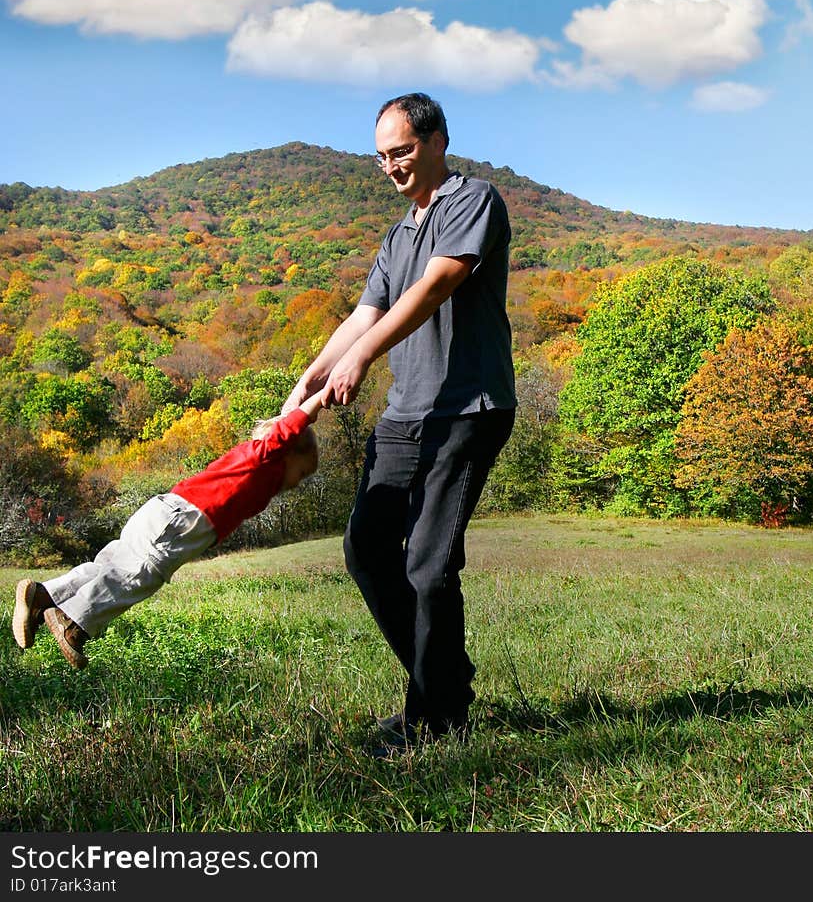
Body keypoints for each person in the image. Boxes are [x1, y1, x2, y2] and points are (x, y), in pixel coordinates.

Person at [281, 92, 516, 753]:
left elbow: (437, 285)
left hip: (467, 408)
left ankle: (435, 716)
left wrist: (362, 356)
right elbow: (364, 313)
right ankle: (443, 683)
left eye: (403, 151)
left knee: (429, 566)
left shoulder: (474, 201)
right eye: (382, 156)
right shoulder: (398, 233)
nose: (391, 166)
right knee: (366, 547)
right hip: (406, 414)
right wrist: (316, 371)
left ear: (438, 140)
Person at [12, 391, 323, 669]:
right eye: (303, 472)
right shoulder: (264, 458)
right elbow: (289, 428)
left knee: (111, 565)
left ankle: (44, 595)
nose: (298, 482)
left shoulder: (255, 466)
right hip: (185, 521)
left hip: (166, 508)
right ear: (289, 451)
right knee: (138, 575)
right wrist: (320, 397)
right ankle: (72, 621)